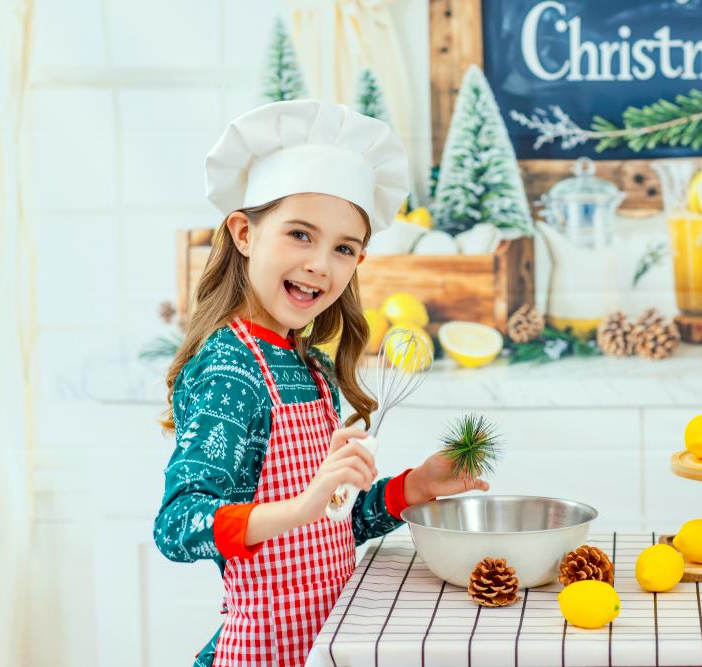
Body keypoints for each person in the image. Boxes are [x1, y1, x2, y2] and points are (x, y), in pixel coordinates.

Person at [153, 100, 489, 667]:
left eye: (343, 248)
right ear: (243, 232)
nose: (320, 265)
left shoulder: (311, 367)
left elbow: (331, 530)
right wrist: (300, 506)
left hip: (329, 643)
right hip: (265, 651)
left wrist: (414, 487)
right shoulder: (230, 370)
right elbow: (178, 526)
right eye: (300, 234)